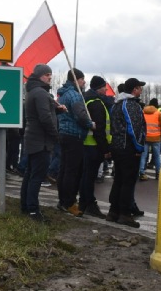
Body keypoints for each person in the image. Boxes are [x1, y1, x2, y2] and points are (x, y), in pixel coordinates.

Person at [20, 64, 62, 222]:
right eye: (46, 75)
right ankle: (33, 210)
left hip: (33, 139)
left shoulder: (33, 92)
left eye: (50, 74)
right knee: (36, 177)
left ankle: (25, 206)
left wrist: (57, 110)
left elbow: (40, 113)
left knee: (29, 175)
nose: (49, 77)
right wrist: (56, 135)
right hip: (41, 141)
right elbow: (45, 118)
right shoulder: (41, 93)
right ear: (39, 76)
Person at [106, 78, 146, 228]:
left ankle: (113, 211)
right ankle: (125, 214)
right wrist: (139, 148)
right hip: (128, 148)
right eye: (139, 88)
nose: (141, 90)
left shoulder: (116, 105)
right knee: (128, 182)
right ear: (134, 90)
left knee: (118, 180)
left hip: (116, 147)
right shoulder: (131, 105)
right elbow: (135, 129)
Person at [55, 68, 93, 217]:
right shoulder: (75, 95)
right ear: (76, 80)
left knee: (64, 169)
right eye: (82, 79)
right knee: (72, 171)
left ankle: (62, 201)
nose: (84, 82)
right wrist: (91, 124)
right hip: (74, 135)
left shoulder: (62, 95)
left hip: (64, 134)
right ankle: (69, 203)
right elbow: (81, 116)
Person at [79, 76, 110, 218]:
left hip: (87, 144)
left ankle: (84, 204)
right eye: (104, 86)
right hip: (94, 146)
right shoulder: (96, 103)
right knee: (89, 178)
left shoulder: (87, 99)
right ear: (99, 88)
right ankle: (89, 204)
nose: (106, 89)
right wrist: (106, 149)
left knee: (86, 176)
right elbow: (100, 129)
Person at [139, 98, 161, 181]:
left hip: (145, 137)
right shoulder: (159, 113)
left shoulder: (143, 112)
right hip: (156, 137)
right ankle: (158, 173)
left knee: (143, 156)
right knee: (157, 156)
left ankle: (142, 172)